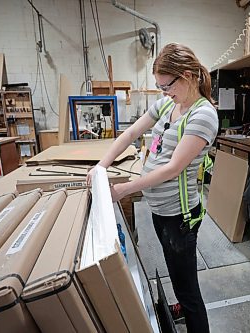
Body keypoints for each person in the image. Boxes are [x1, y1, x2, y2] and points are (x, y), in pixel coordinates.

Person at [87, 43, 218, 333]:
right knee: (178, 274)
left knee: (188, 290)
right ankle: (182, 305)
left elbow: (173, 168)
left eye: (166, 86)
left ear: (186, 76)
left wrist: (124, 189)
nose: (163, 92)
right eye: (159, 87)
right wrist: (102, 165)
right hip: (162, 211)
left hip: (179, 216)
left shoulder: (203, 116)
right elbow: (133, 131)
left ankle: (195, 320)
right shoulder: (170, 104)